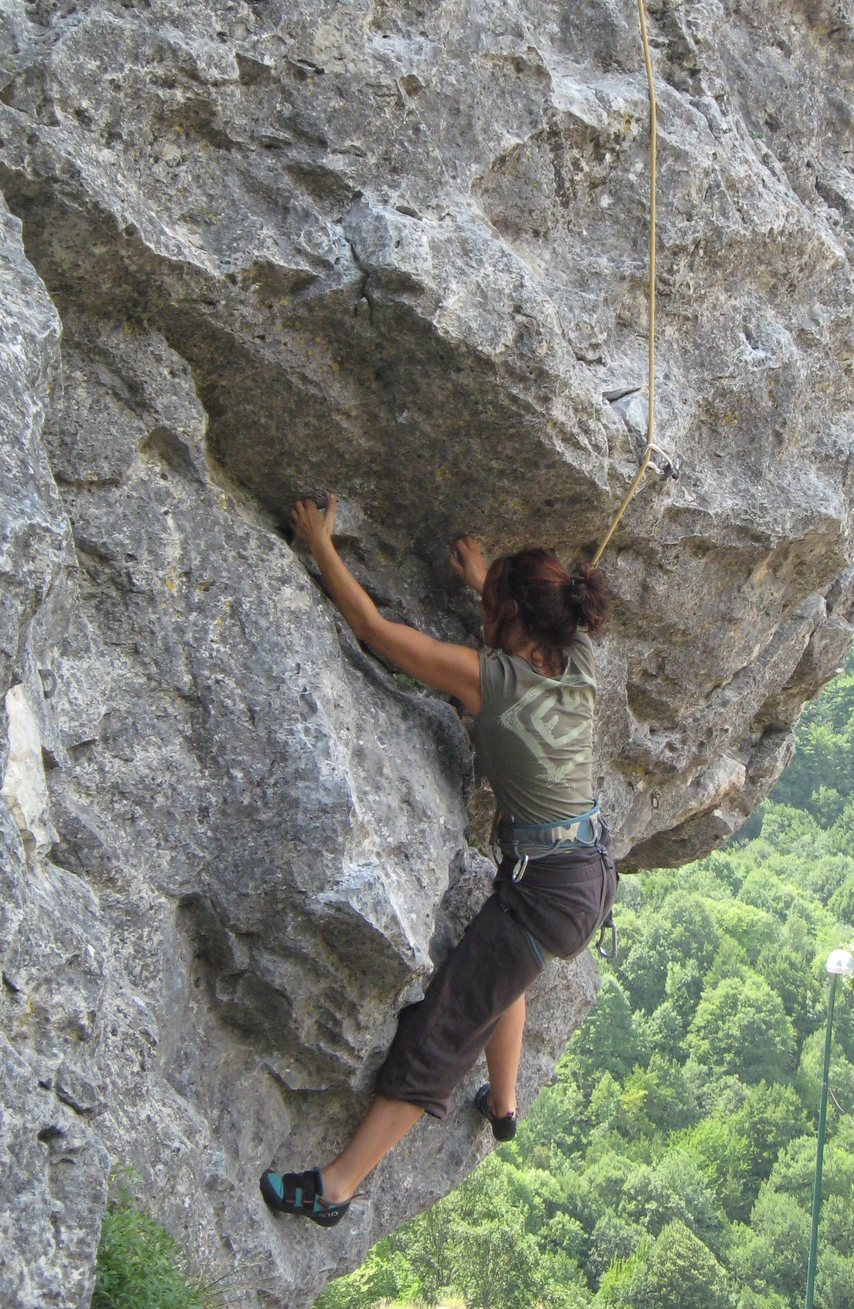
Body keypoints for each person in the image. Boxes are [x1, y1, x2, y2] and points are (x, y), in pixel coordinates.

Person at [260, 496, 617, 1228]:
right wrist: (485, 578)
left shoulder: (489, 681)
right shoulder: (578, 657)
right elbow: (534, 618)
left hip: (545, 891)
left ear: (512, 618)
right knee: (506, 967)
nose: (482, 614)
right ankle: (507, 1104)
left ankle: (336, 1187)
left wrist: (321, 543)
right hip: (582, 874)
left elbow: (373, 630)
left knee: (448, 1023)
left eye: (491, 607)